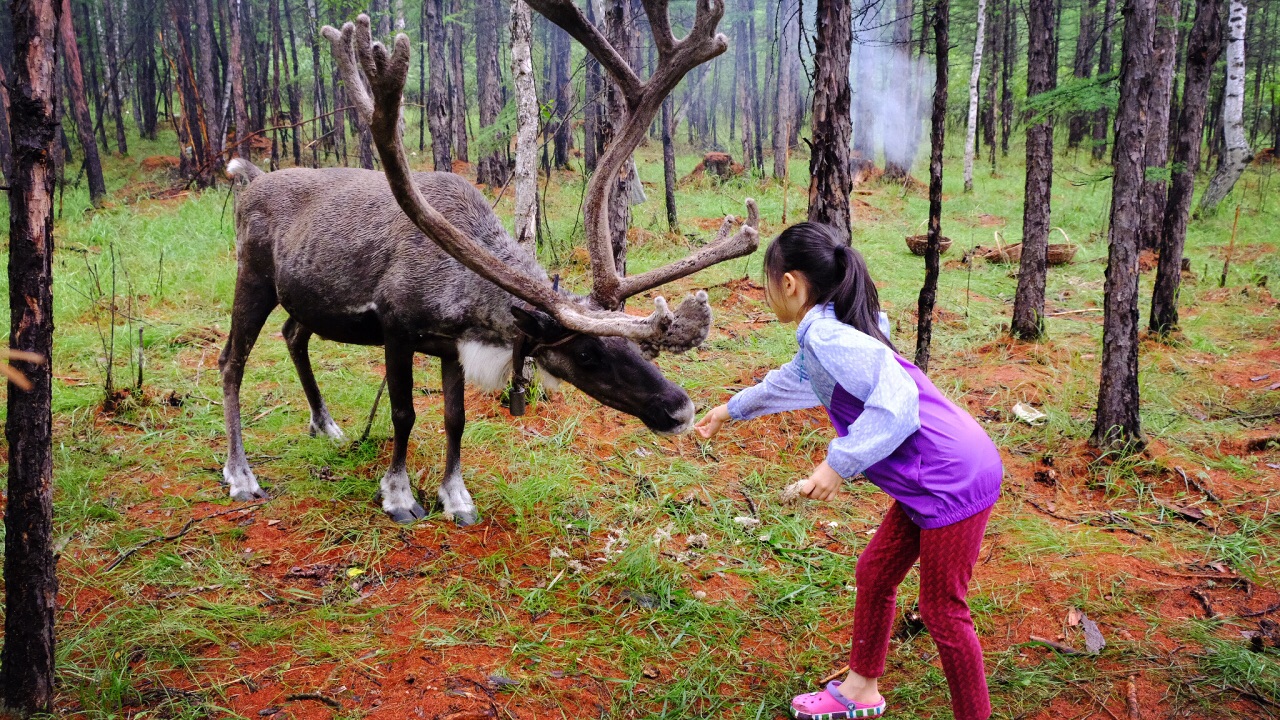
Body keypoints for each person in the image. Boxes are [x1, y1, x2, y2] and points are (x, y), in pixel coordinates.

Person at [694, 223, 1003, 720]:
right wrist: (730, 409)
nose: (768, 291)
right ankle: (861, 688)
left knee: (943, 611)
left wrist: (836, 465)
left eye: (768, 280)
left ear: (790, 283)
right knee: (875, 573)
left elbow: (898, 402)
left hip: (950, 477)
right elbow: (791, 381)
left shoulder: (829, 334)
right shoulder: (828, 333)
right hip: (935, 474)